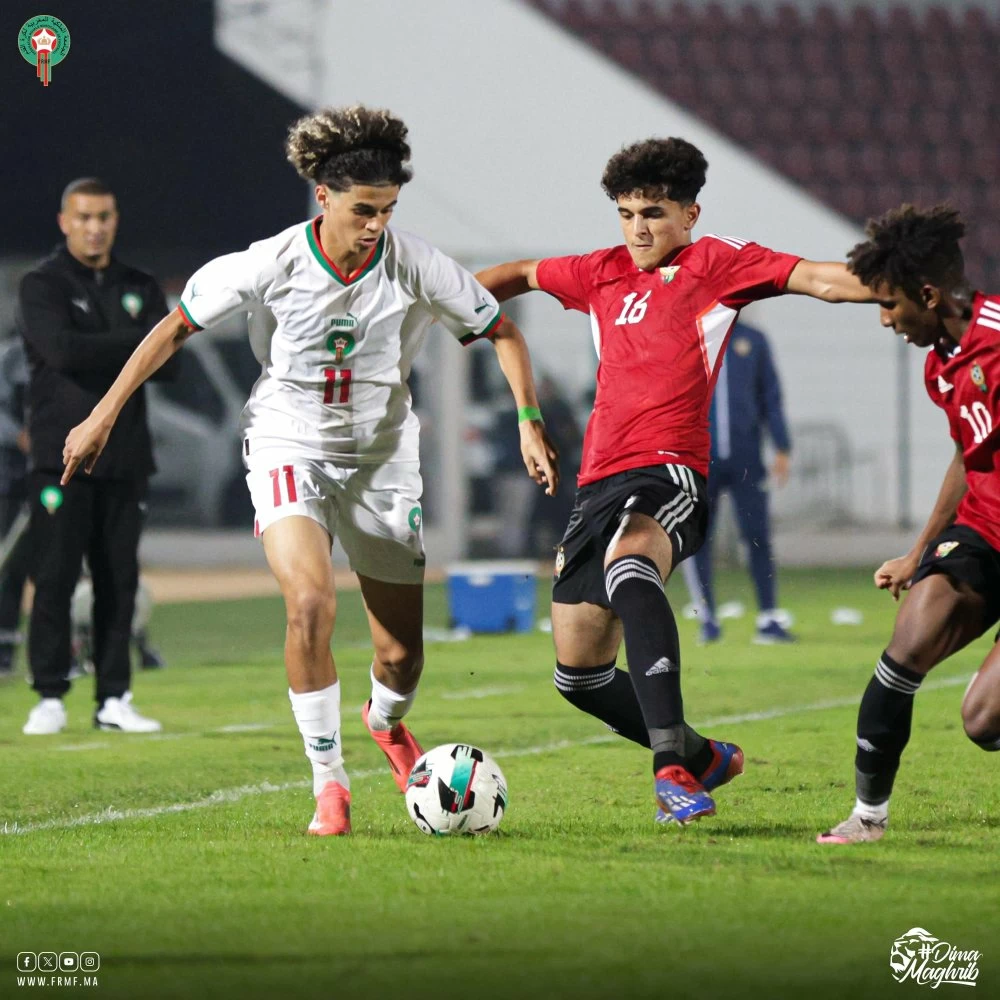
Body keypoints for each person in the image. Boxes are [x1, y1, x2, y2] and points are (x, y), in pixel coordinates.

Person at [62, 106, 559, 837]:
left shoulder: (415, 262)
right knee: (310, 605)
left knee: (401, 657)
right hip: (288, 445)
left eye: (388, 210)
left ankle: (385, 725)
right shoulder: (269, 262)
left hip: (382, 461)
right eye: (364, 210)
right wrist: (102, 414)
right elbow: (171, 329)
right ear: (322, 197)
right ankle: (330, 786)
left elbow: (502, 330)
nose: (376, 225)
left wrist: (528, 421)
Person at [477, 136, 873, 825]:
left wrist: (912, 286)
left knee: (634, 564)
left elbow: (822, 279)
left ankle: (670, 770)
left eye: (653, 213)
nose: (638, 229)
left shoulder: (717, 264)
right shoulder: (597, 272)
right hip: (596, 482)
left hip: (669, 473)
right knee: (579, 674)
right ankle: (704, 755)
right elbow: (514, 273)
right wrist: (432, 306)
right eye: (626, 213)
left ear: (691, 213)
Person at [818, 205, 1000, 845]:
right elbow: (966, 455)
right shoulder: (940, 362)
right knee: (908, 640)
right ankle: (868, 817)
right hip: (986, 532)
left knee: (983, 722)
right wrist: (919, 552)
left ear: (928, 295)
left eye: (891, 305)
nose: (884, 319)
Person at [19, 178, 172, 735]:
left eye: (104, 216)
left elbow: (173, 361)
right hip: (59, 457)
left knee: (119, 582)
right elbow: (60, 349)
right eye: (83, 216)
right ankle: (49, 695)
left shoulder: (137, 283)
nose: (95, 226)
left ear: (116, 219)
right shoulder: (42, 283)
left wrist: (111, 342)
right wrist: (137, 340)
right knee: (54, 576)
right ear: (64, 221)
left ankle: (114, 697)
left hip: (127, 457)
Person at [680, 321, 796, 644]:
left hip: (747, 459)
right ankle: (707, 619)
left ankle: (769, 618)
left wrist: (782, 445)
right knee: (698, 539)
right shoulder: (692, 338)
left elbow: (771, 395)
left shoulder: (753, 340)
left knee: (757, 535)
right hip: (700, 459)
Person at [0, 336, 30, 676]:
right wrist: (20, 436)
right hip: (11, 477)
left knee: (60, 565)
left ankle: (72, 649)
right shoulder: (11, 357)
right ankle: (5, 649)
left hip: (52, 472)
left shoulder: (63, 349)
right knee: (11, 565)